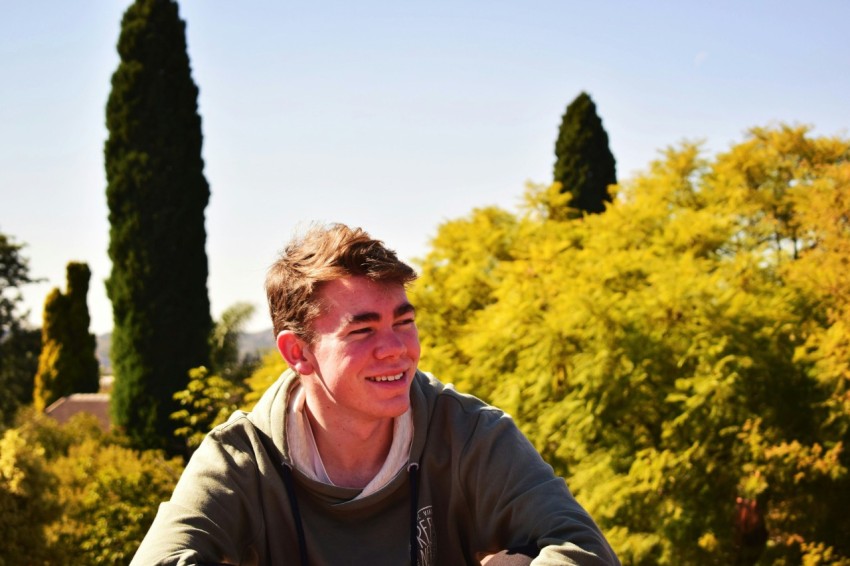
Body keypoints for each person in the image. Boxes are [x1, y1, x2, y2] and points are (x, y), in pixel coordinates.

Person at [131, 223, 620, 566]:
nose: (397, 350)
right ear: (298, 352)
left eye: (403, 322)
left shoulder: (470, 434)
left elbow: (585, 549)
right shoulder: (241, 458)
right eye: (362, 331)